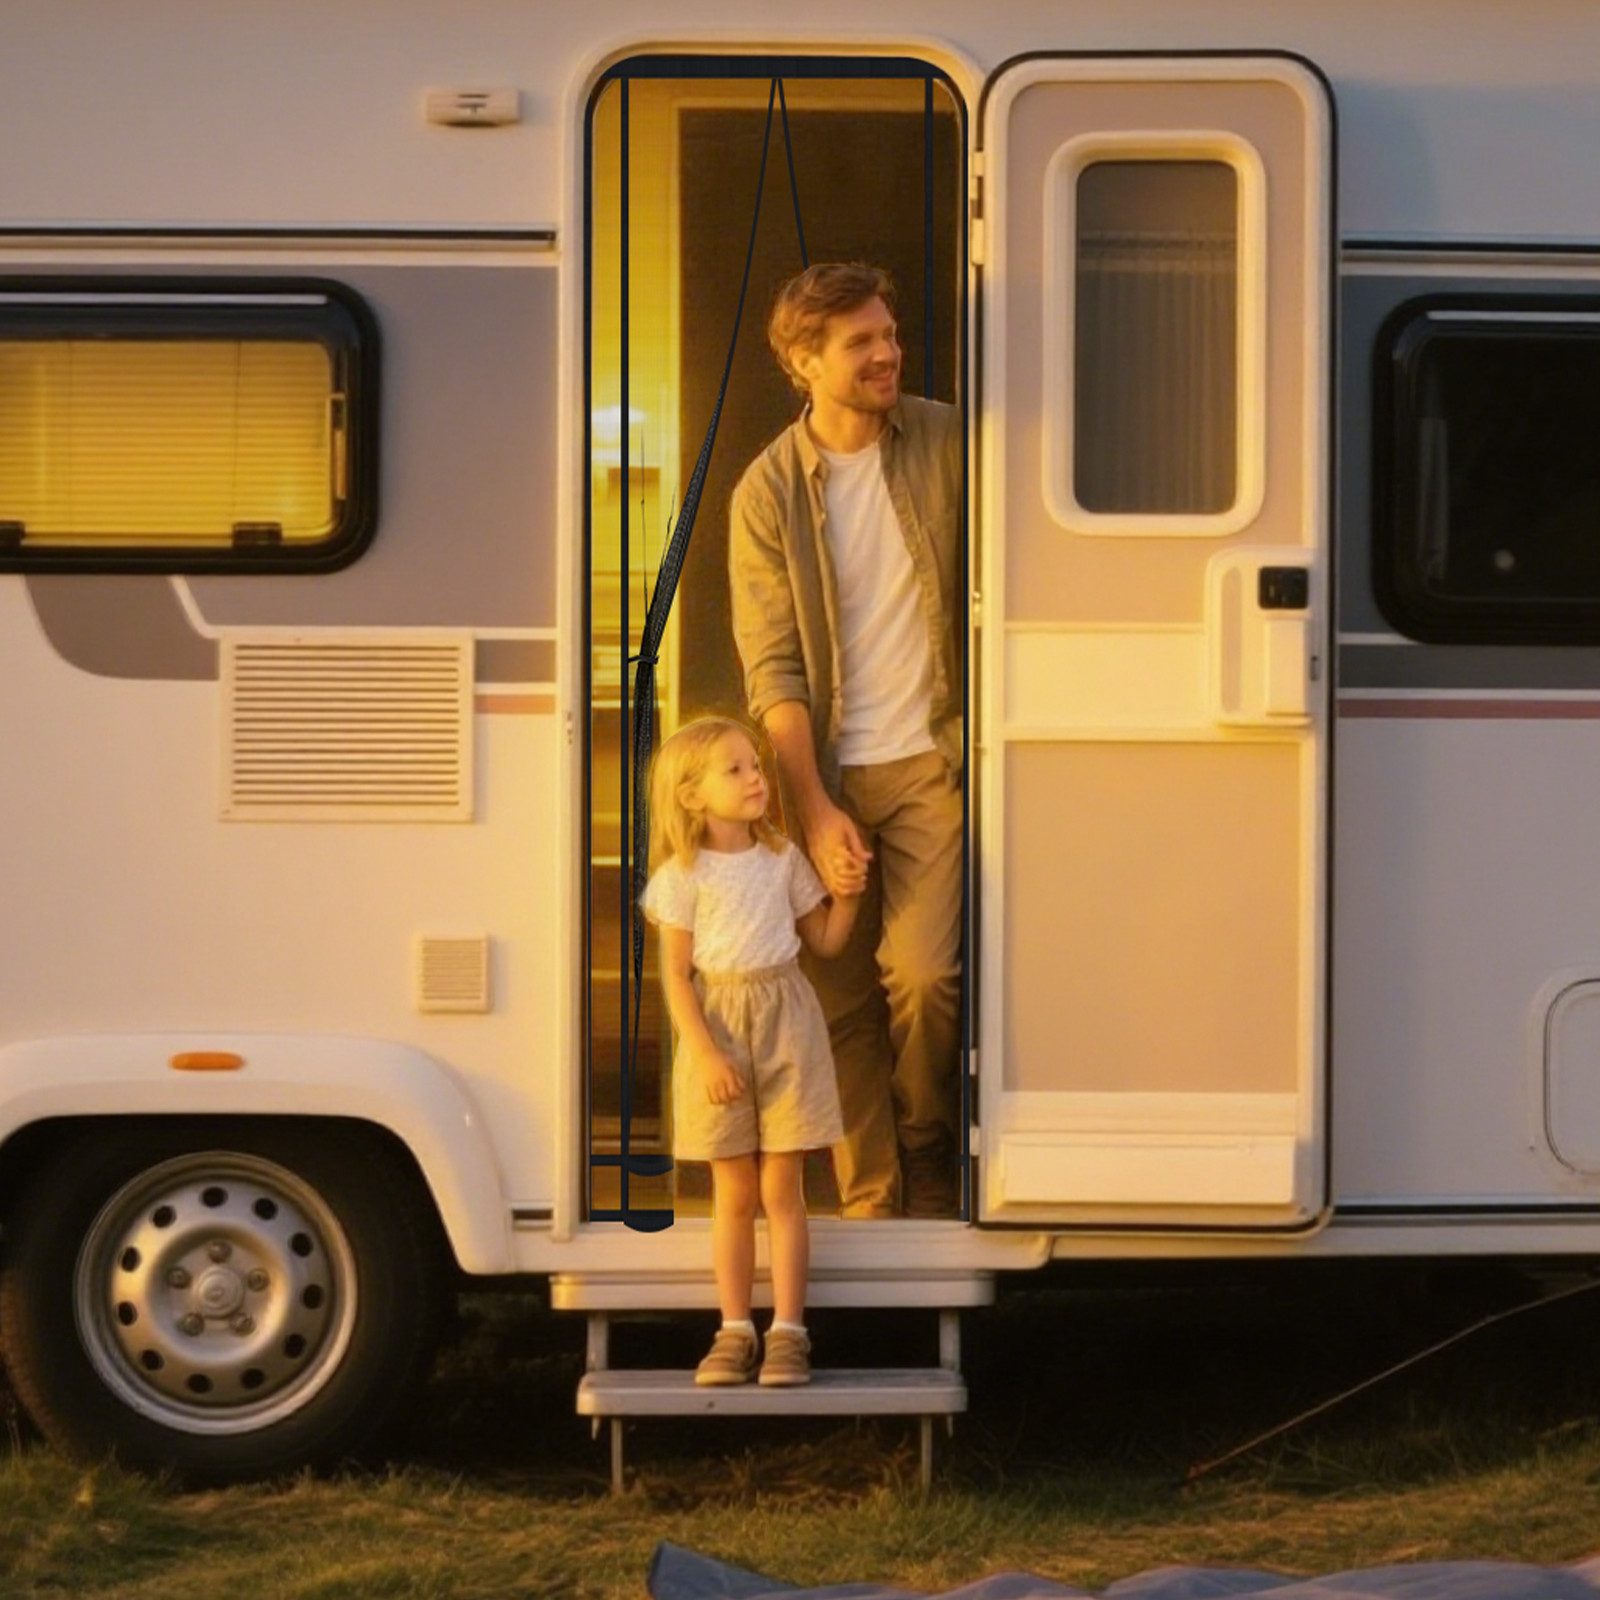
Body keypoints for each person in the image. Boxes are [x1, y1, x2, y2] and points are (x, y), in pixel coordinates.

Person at [728, 261, 963, 1219]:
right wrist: (815, 810)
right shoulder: (766, 493)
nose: (886, 353)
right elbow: (773, 668)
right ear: (803, 361)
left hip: (928, 764)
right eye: (860, 341)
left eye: (888, 332)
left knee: (924, 977)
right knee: (836, 1004)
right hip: (819, 774)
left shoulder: (948, 440)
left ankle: (925, 1140)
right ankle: (874, 1197)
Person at [640, 714, 864, 1387]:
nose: (754, 778)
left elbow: (824, 941)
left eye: (755, 766)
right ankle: (734, 1328)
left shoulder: (782, 859)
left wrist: (849, 895)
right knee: (733, 1192)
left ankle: (789, 1331)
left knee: (782, 1188)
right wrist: (706, 1055)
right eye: (734, 769)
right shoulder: (683, 875)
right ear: (692, 795)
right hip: (720, 1029)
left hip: (786, 1022)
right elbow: (676, 977)